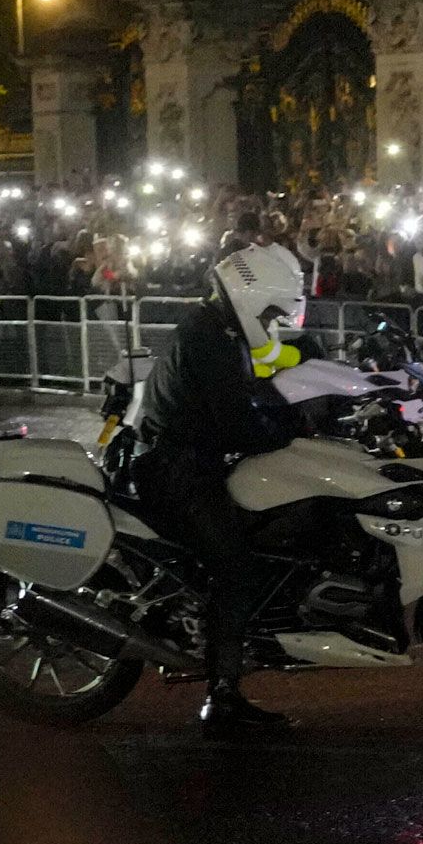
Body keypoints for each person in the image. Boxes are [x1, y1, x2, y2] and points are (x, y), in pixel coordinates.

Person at [130, 242, 314, 736]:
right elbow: (236, 423)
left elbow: (245, 392)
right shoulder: (209, 337)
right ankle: (223, 697)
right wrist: (294, 431)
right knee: (236, 564)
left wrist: (292, 401)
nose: (276, 318)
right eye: (274, 308)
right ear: (253, 295)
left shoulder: (214, 327)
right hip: (177, 472)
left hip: (180, 462)